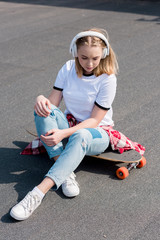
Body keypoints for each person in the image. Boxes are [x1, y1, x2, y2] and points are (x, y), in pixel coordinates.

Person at [10, 28, 119, 221]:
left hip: (97, 132)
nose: (89, 63)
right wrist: (41, 99)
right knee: (42, 109)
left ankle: (37, 193)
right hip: (70, 125)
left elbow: (94, 121)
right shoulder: (68, 68)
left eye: (95, 58)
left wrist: (62, 134)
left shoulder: (108, 79)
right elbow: (53, 103)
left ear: (103, 54)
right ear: (75, 52)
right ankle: (65, 171)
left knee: (81, 135)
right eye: (84, 57)